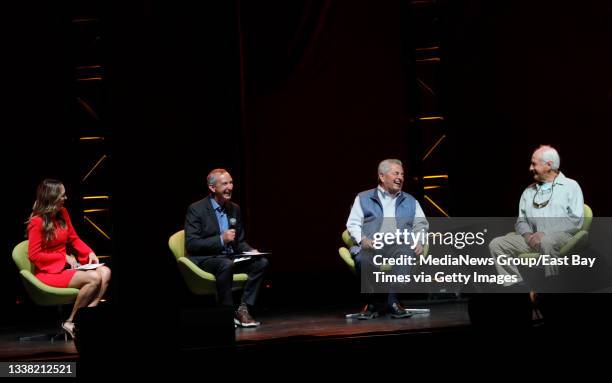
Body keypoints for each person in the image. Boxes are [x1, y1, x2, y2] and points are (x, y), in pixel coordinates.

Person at [26, 179, 111, 338]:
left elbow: (73, 238)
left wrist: (89, 253)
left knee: (105, 272)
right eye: (62, 195)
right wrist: (63, 258)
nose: (65, 198)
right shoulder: (36, 222)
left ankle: (84, 319)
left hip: (65, 267)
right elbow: (34, 255)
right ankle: (70, 321)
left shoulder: (63, 213)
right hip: (48, 272)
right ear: (51, 197)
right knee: (93, 278)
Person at [489, 145, 584, 286]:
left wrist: (545, 233)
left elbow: (576, 220)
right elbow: (521, 221)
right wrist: (528, 235)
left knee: (547, 241)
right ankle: (517, 287)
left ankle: (552, 286)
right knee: (496, 244)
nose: (530, 168)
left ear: (548, 165)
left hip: (561, 236)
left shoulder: (571, 186)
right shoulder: (529, 191)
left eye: (534, 164)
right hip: (532, 238)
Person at [346, 159, 429, 319]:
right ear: (382, 177)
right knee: (362, 259)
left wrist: (419, 240)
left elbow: (421, 224)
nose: (401, 177)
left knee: (406, 254)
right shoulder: (363, 198)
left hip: (399, 244)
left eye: (402, 174)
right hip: (372, 244)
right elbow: (353, 224)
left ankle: (389, 300)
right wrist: (362, 239)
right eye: (396, 173)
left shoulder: (411, 201)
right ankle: (377, 301)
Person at [185, 168, 268, 328]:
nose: (230, 187)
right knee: (225, 264)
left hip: (229, 258)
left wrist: (250, 250)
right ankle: (226, 313)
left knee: (261, 263)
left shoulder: (234, 209)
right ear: (212, 187)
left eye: (231, 182)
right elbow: (192, 243)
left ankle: (243, 309)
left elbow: (239, 241)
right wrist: (221, 239)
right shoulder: (196, 209)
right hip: (207, 259)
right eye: (224, 184)